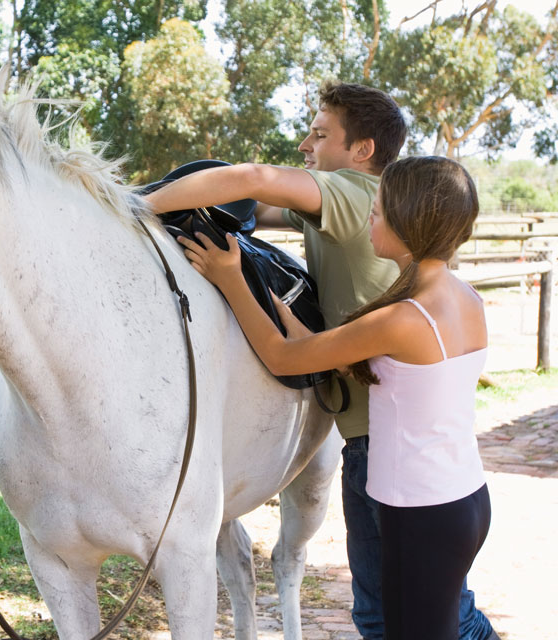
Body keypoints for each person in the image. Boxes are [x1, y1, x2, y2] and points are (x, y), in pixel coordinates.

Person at [142, 82, 497, 640]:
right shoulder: (460, 297)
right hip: (459, 491)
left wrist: (139, 210)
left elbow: (289, 356)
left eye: (320, 134)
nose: (370, 217)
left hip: (409, 491)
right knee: (440, 618)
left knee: (401, 623)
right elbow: (336, 342)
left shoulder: (395, 305)